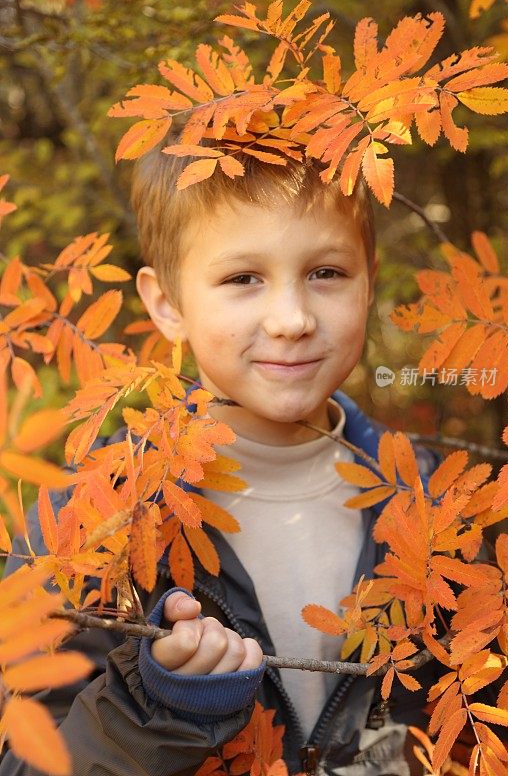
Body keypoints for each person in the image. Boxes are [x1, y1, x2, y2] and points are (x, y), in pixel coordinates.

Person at [1, 137, 443, 776]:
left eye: (326, 273)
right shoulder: (88, 524)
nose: (291, 318)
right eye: (243, 279)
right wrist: (159, 710)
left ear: (369, 282)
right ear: (166, 304)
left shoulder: (430, 496)